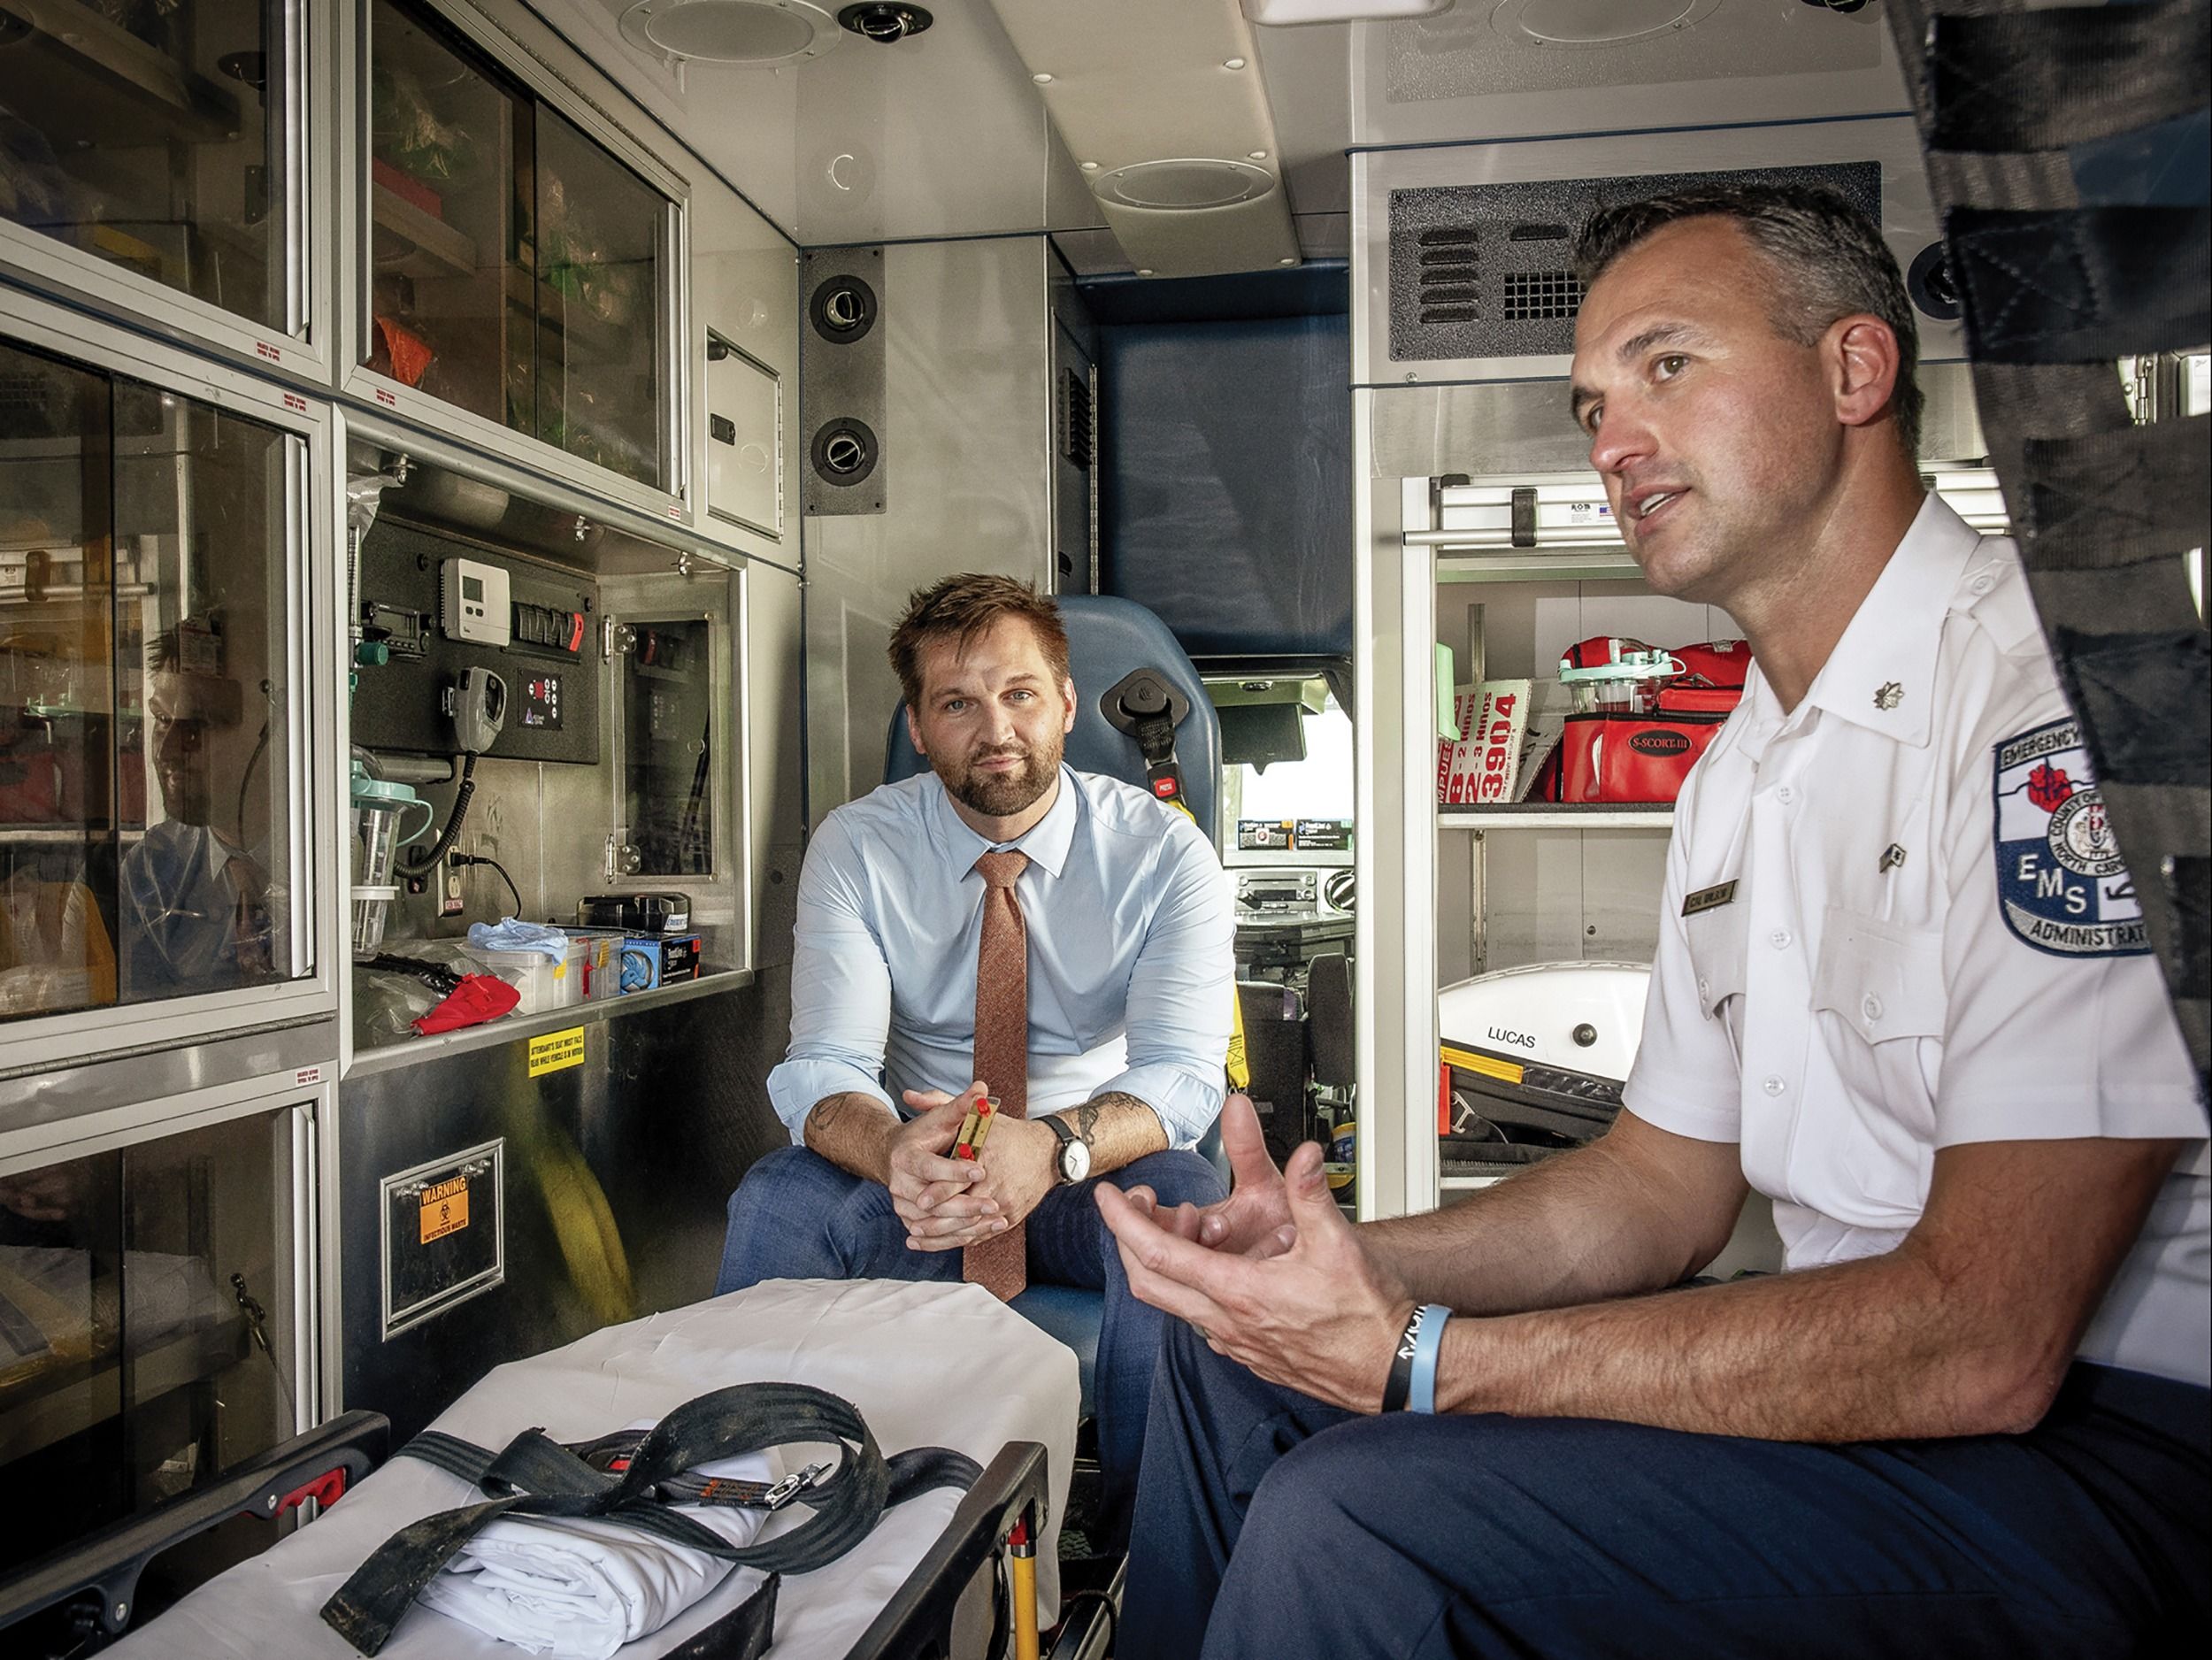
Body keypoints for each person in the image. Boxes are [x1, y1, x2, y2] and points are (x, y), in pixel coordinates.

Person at [1100, 184, 2208, 1656]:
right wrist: (1338, 1267)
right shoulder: (1743, 764)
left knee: (1353, 1519)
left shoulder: (2053, 710)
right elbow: (1658, 1192)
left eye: (1667, 365)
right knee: (1215, 1360)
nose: (1615, 440)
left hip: (2110, 1452)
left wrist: (1421, 1360)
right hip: (1874, 1408)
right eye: (1590, 404)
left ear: (1853, 370)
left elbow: (1987, 1336)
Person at [715, 573, 1235, 1552]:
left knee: (1183, 1217)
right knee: (777, 1200)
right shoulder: (859, 847)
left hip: (1089, 1166)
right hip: (925, 1169)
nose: (994, 727)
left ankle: (1148, 1559)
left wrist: (1046, 1148)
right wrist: (893, 1154)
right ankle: (756, 1535)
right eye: (957, 702)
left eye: (1020, 693)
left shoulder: (1165, 855)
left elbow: (1181, 1078)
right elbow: (823, 1062)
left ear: (1067, 705)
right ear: (918, 726)